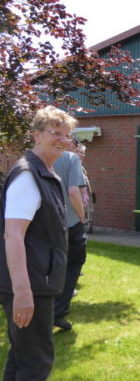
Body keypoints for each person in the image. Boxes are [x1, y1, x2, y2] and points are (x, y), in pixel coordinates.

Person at [0, 106, 77, 380]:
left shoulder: (45, 173)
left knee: (22, 358)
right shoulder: (28, 175)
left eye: (67, 135)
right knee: (36, 364)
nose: (62, 139)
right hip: (30, 285)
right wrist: (22, 293)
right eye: (55, 133)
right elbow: (13, 236)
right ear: (36, 135)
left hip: (38, 281)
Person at [52, 137, 87, 331]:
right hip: (70, 222)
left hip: (43, 223)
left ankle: (44, 312)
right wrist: (82, 216)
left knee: (49, 267)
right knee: (73, 264)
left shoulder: (32, 159)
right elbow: (74, 192)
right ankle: (57, 312)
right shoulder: (71, 159)